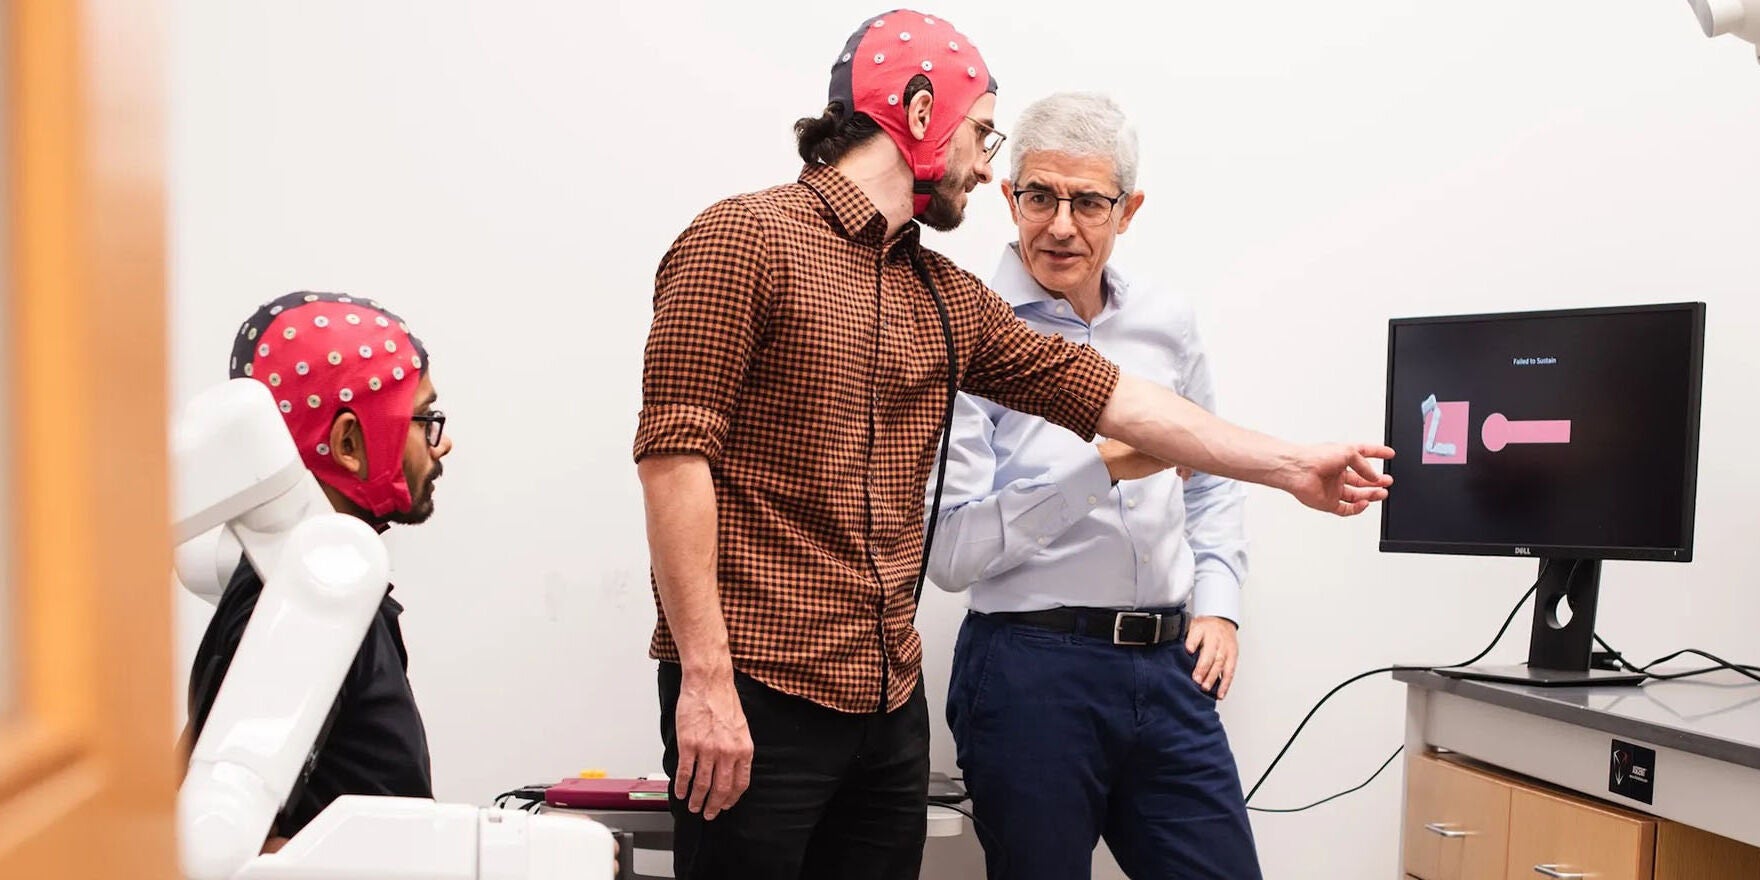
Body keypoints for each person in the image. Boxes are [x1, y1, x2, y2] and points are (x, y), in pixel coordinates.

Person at [633, 11, 1392, 879]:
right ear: (920, 114)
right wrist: (704, 679)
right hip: (763, 687)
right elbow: (672, 457)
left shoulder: (940, 293)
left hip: (887, 701)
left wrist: (1294, 466)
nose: (986, 165)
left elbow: (1114, 397)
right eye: (984, 134)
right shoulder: (744, 237)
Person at [928, 91, 1260, 880]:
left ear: (1129, 209)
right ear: (1008, 197)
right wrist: (1101, 467)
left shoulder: (1164, 322)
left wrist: (1219, 604)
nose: (1061, 226)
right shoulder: (966, 325)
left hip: (1169, 668)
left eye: (1088, 202)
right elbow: (950, 554)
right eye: (1039, 196)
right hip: (1030, 672)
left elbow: (1210, 481)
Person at [185, 291, 451, 850]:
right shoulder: (305, 604)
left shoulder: (297, 589)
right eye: (424, 419)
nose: (442, 442)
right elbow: (230, 850)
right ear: (349, 444)